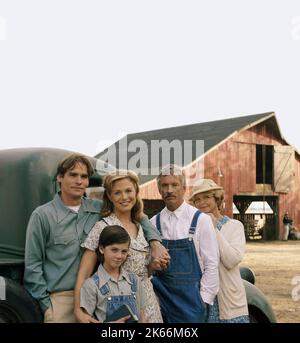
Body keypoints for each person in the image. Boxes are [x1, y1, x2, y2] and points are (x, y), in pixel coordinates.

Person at [24, 154, 167, 323]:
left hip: (101, 296)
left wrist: (155, 242)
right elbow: (33, 265)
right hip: (62, 299)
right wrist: (47, 306)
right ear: (60, 178)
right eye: (73, 175)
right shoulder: (42, 215)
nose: (79, 181)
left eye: (84, 176)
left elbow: (135, 213)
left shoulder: (97, 209)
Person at [75, 169, 169, 323]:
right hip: (121, 302)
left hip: (148, 301)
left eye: (128, 191)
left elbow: (143, 271)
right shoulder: (103, 227)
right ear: (110, 197)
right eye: (117, 193)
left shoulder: (141, 227)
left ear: (136, 192)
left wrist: (153, 265)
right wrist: (78, 310)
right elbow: (84, 273)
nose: (124, 197)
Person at [150, 165, 219, 323]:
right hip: (162, 301)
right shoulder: (153, 223)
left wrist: (203, 301)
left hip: (192, 303)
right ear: (159, 189)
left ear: (184, 188)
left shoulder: (201, 220)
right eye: (165, 185)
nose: (169, 190)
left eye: (174, 185)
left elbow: (211, 263)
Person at [190, 178, 249, 323]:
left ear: (217, 198)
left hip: (229, 299)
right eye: (197, 199)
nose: (202, 202)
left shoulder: (234, 226)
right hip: (203, 298)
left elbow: (231, 260)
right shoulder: (193, 230)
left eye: (206, 197)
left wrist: (213, 228)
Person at [80, 225, 146, 323]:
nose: (119, 256)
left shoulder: (134, 281)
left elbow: (141, 314)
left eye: (124, 251)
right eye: (114, 250)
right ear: (102, 249)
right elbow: (85, 320)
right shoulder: (91, 285)